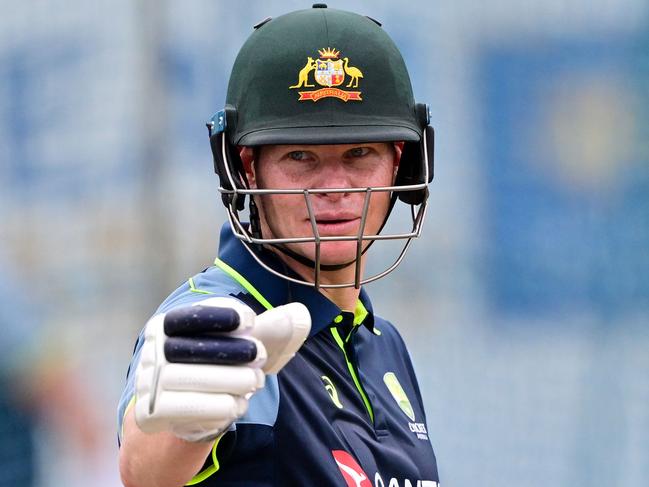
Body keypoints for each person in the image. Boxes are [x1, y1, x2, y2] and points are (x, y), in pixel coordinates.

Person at [118, 5, 438, 486]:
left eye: (359, 153)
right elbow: (146, 472)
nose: (334, 186)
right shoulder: (220, 321)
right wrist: (181, 429)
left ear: (401, 164)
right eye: (300, 155)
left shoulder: (381, 341)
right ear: (246, 168)